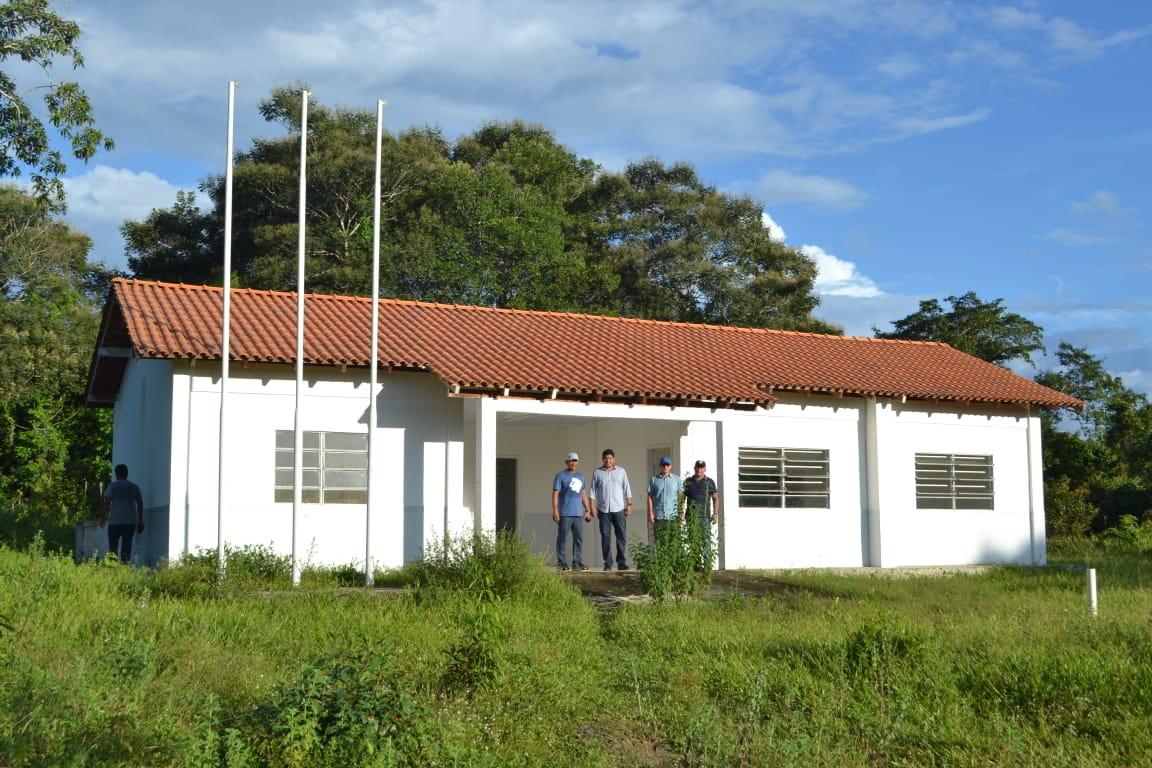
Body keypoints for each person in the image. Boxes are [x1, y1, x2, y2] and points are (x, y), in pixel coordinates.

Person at [590, 448, 633, 570]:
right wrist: (592, 507)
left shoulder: (621, 472)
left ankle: (621, 562)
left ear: (614, 459)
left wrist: (629, 505)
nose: (608, 460)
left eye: (610, 458)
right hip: (603, 510)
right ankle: (608, 563)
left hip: (619, 509)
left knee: (621, 536)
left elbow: (627, 489)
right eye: (606, 458)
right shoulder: (597, 472)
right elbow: (592, 491)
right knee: (605, 536)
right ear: (602, 459)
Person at [552, 452, 592, 571]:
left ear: (578, 462)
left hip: (578, 514)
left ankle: (577, 562)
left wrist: (588, 509)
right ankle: (561, 562)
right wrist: (555, 511)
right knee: (562, 538)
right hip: (564, 513)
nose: (573, 463)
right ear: (566, 462)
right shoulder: (560, 476)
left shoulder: (581, 476)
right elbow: (555, 493)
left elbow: (583, 493)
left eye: (575, 461)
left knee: (579, 539)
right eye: (571, 461)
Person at [101, 464, 145, 564]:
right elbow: (140, 503)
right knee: (127, 546)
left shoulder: (113, 486)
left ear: (117, 474)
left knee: (112, 547)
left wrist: (103, 517)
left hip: (115, 522)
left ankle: (111, 568)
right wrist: (141, 520)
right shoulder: (134, 487)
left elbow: (107, 503)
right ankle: (124, 567)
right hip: (130, 522)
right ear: (126, 474)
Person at [681, 459, 719, 564]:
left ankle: (706, 568)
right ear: (694, 468)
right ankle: (695, 566)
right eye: (697, 467)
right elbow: (682, 498)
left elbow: (715, 498)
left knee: (706, 543)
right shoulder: (688, 481)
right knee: (693, 542)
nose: (699, 469)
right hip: (691, 517)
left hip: (704, 517)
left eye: (701, 467)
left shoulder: (710, 482)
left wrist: (715, 514)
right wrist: (681, 512)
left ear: (705, 469)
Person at [647, 456, 679, 543]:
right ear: (660, 466)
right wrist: (650, 513)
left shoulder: (676, 479)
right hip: (659, 516)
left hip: (673, 516)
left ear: (670, 466)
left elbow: (681, 497)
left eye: (667, 465)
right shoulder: (654, 479)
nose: (665, 467)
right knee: (659, 543)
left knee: (673, 543)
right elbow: (650, 497)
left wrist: (681, 512)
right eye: (663, 465)